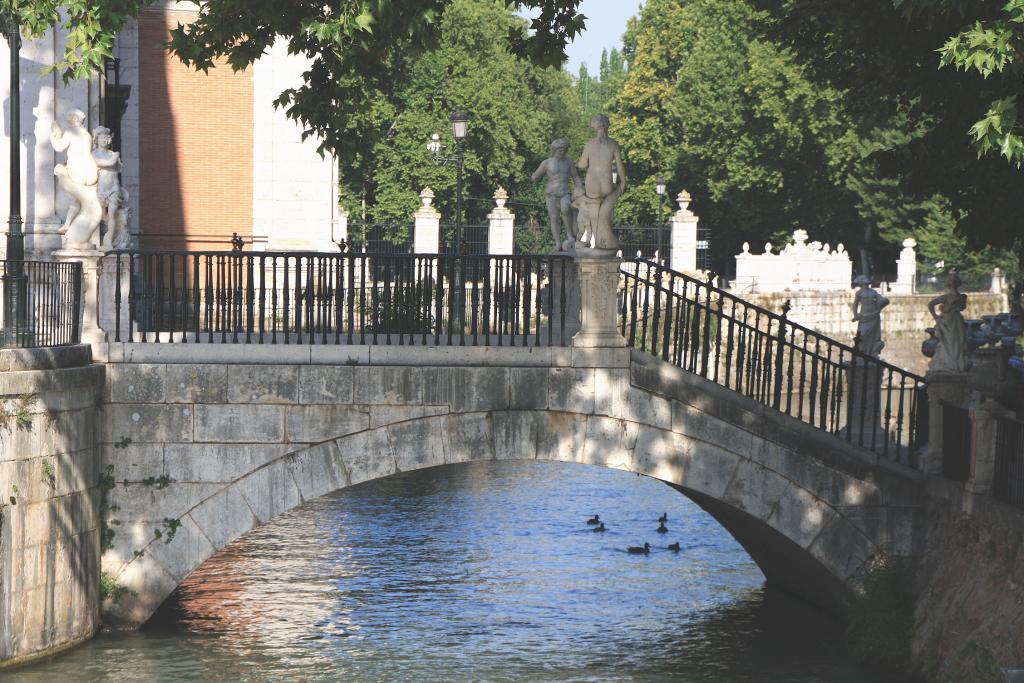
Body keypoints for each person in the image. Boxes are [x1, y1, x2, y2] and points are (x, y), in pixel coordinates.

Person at [575, 114, 626, 250]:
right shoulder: (613, 144)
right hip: (607, 181)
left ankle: (597, 242)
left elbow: (582, 165)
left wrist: (579, 163)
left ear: (595, 126)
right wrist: (623, 182)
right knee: (607, 213)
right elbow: (620, 166)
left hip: (592, 181)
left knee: (594, 213)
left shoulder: (590, 144)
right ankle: (605, 241)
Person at [531, 139, 581, 251]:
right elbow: (536, 175)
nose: (562, 152)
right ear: (554, 150)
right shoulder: (546, 163)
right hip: (551, 194)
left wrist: (579, 188)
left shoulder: (568, 161)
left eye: (564, 150)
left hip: (565, 192)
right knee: (554, 218)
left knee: (566, 209)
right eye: (560, 150)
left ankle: (569, 236)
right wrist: (535, 178)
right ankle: (558, 243)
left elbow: (575, 176)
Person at [927, 272, 969, 373]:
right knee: (950, 343)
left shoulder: (960, 297)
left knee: (957, 342)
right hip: (949, 321)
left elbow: (931, 305)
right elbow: (931, 304)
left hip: (954, 321)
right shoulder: (955, 297)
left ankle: (954, 364)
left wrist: (936, 316)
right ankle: (952, 364)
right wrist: (936, 317)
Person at [92, 127, 126, 249]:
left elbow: (117, 167)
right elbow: (103, 163)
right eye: (101, 138)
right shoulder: (94, 154)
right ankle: (114, 231)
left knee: (112, 214)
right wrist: (114, 158)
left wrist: (115, 158)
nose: (104, 140)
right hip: (101, 187)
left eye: (106, 137)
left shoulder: (113, 154)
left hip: (114, 187)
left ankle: (108, 240)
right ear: (97, 140)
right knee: (101, 214)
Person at [852, 275, 889, 357]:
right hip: (864, 316)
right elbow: (855, 305)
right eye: (864, 282)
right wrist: (855, 315)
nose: (866, 284)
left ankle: (870, 351)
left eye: (867, 282)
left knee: (873, 335)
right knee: (862, 334)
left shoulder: (873, 292)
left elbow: (881, 300)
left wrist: (881, 305)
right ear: (861, 283)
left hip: (874, 316)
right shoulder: (859, 293)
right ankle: (862, 350)